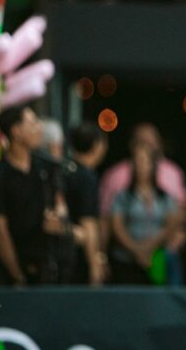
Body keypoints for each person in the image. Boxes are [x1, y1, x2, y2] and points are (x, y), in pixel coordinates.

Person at [0, 105, 77, 285]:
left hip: (45, 268)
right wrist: (17, 276)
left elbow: (60, 204)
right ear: (16, 131)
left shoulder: (45, 167)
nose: (39, 128)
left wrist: (58, 217)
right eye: (33, 123)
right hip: (10, 274)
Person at [99, 122, 186, 283]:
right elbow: (109, 222)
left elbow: (178, 218)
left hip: (161, 257)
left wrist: (153, 247)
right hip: (125, 259)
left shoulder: (170, 179)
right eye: (142, 142)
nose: (142, 165)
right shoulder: (117, 179)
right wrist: (102, 255)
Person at [110, 143, 177, 285]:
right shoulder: (123, 196)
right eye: (137, 161)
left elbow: (171, 225)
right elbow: (117, 227)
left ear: (153, 165)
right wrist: (137, 250)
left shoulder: (164, 197)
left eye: (145, 161)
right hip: (126, 260)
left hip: (156, 259)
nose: (141, 166)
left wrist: (149, 248)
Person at [64, 122, 108, 285]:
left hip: (62, 251)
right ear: (97, 146)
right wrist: (94, 264)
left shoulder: (65, 170)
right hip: (78, 255)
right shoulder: (86, 178)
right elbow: (88, 222)